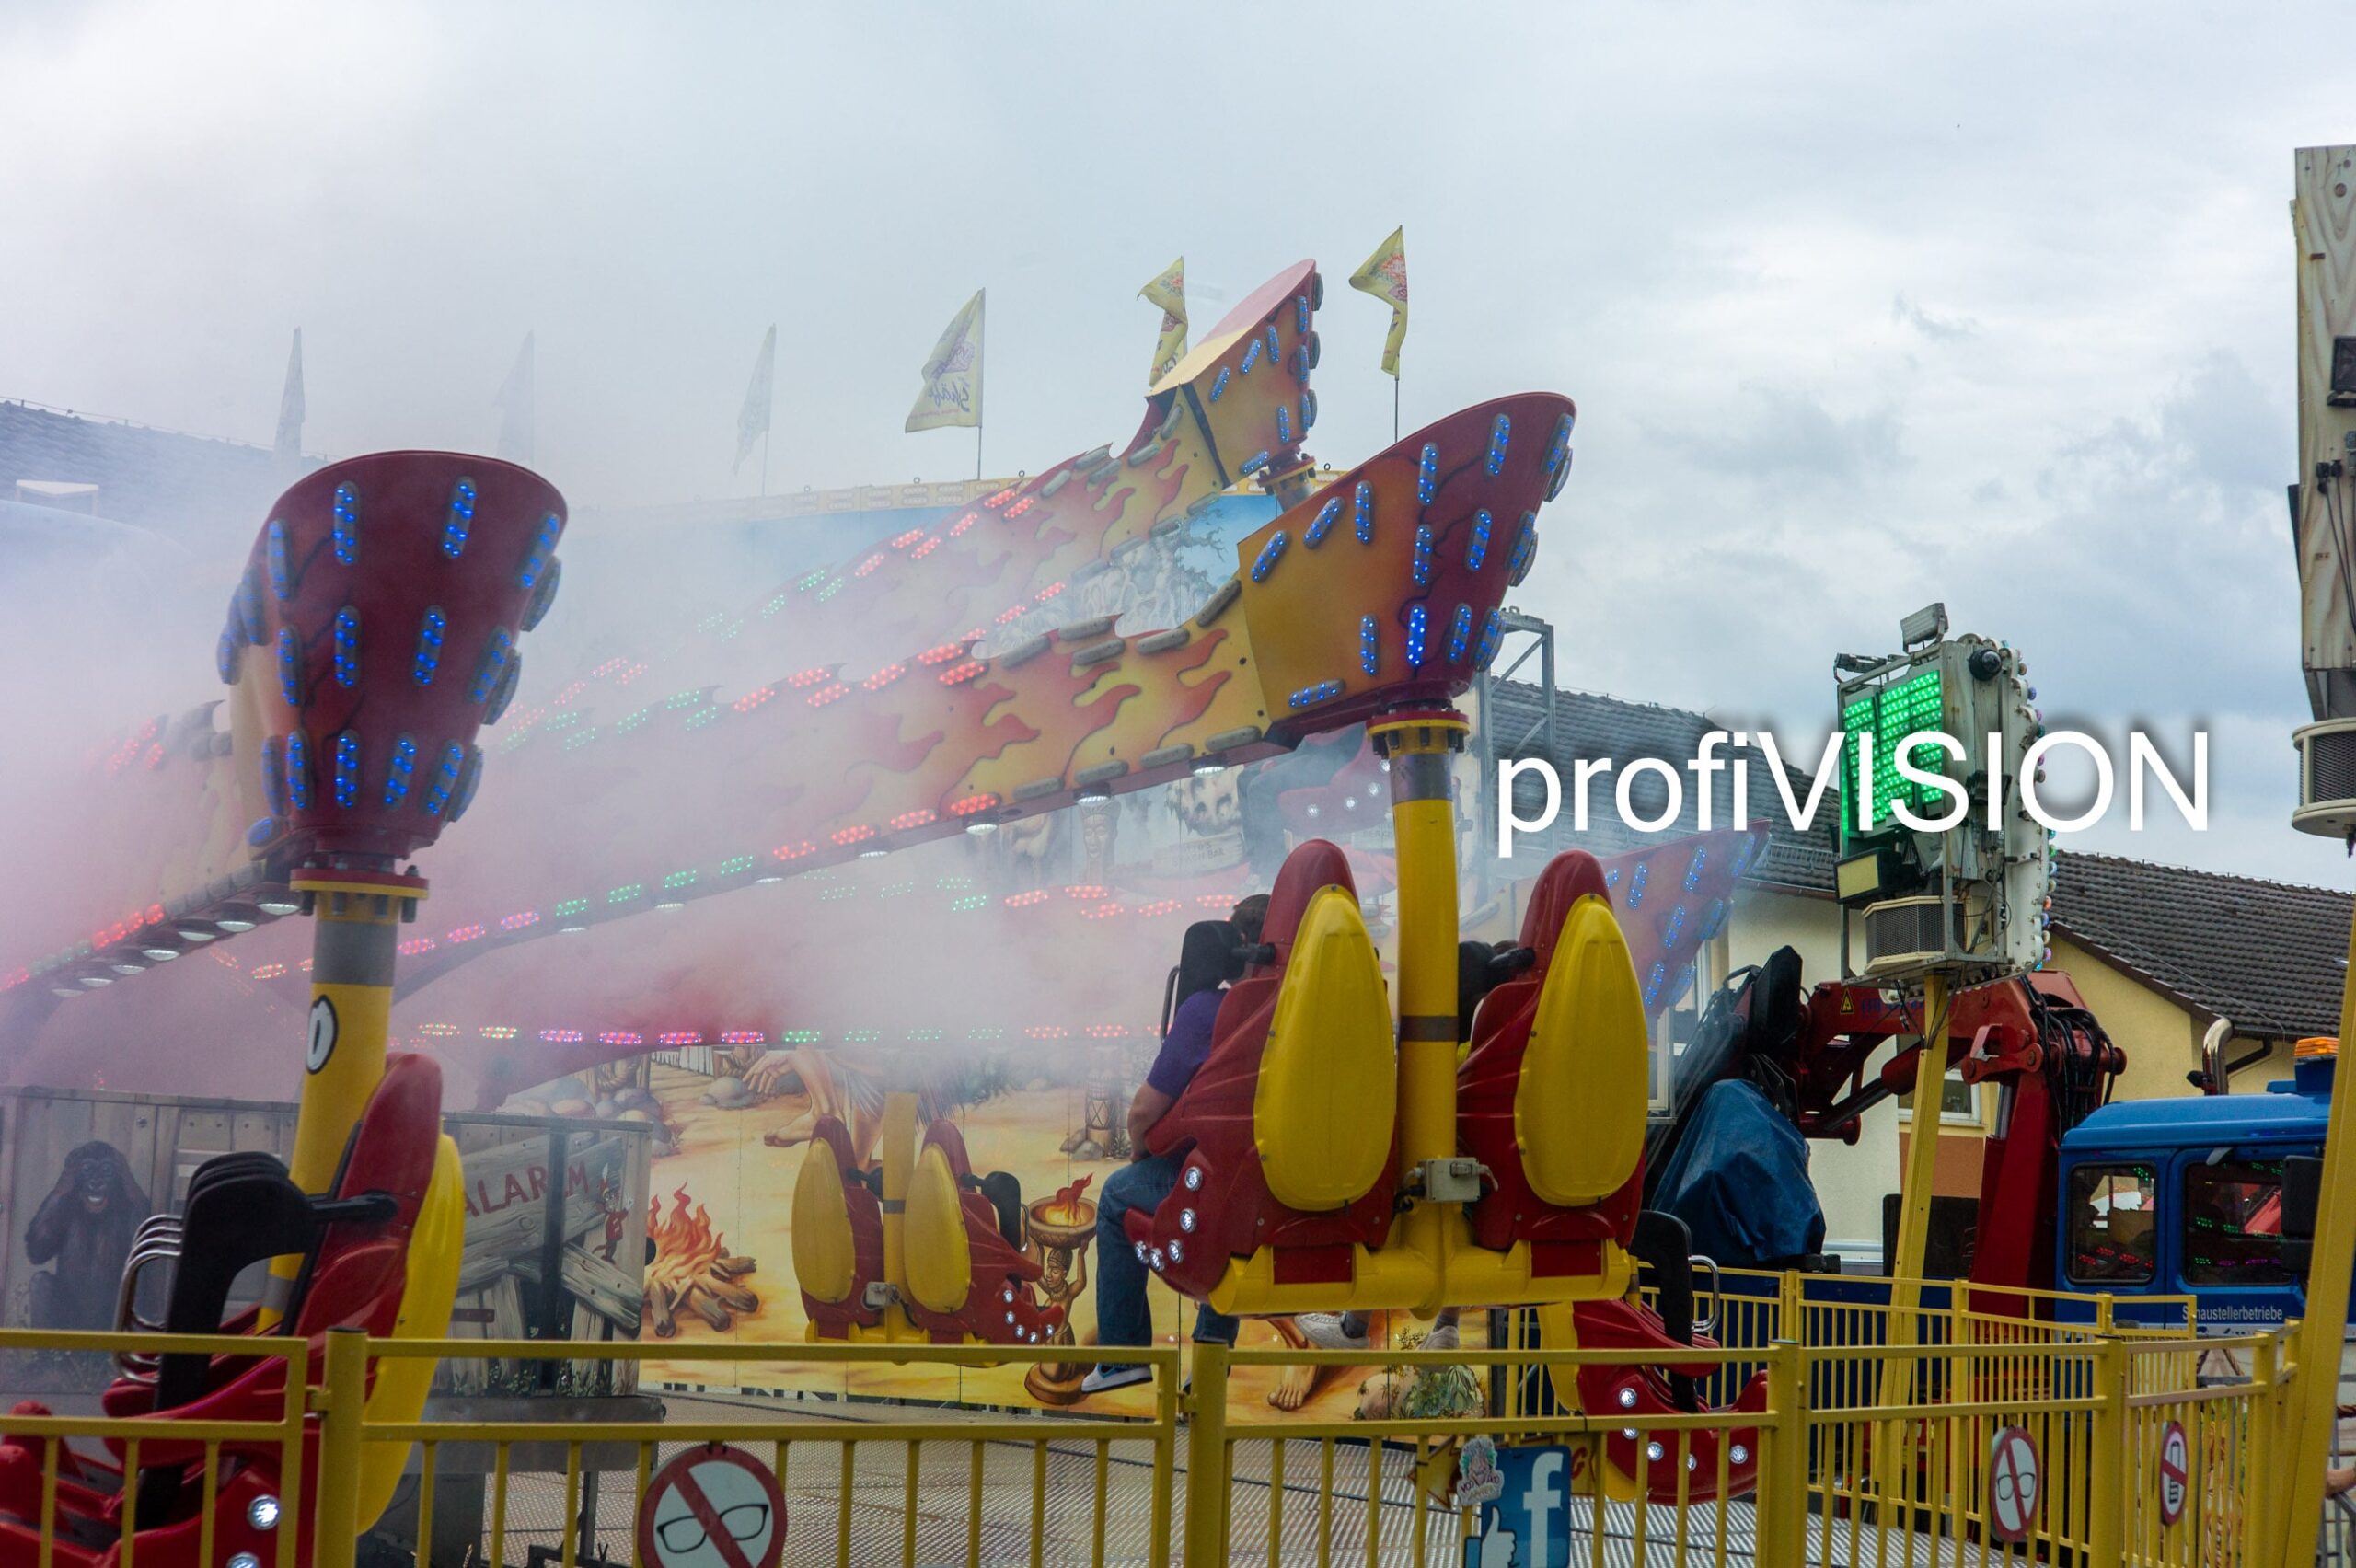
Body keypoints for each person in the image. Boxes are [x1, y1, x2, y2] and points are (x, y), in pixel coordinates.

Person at [1294, 940, 1524, 1354]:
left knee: (1389, 1206)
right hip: (1490, 1189)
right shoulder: (1503, 1049)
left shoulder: (1439, 1056)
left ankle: (1354, 1326)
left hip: (1429, 1182)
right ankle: (1447, 1326)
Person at [1080, 899, 1263, 1394]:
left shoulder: (1209, 1011)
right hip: (1281, 1190)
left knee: (1118, 1194)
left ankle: (1122, 1356)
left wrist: (1141, 1150)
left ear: (1237, 947)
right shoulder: (1302, 1009)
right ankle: (1210, 1362)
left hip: (1213, 1187)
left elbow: (1143, 1111)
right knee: (1234, 1212)